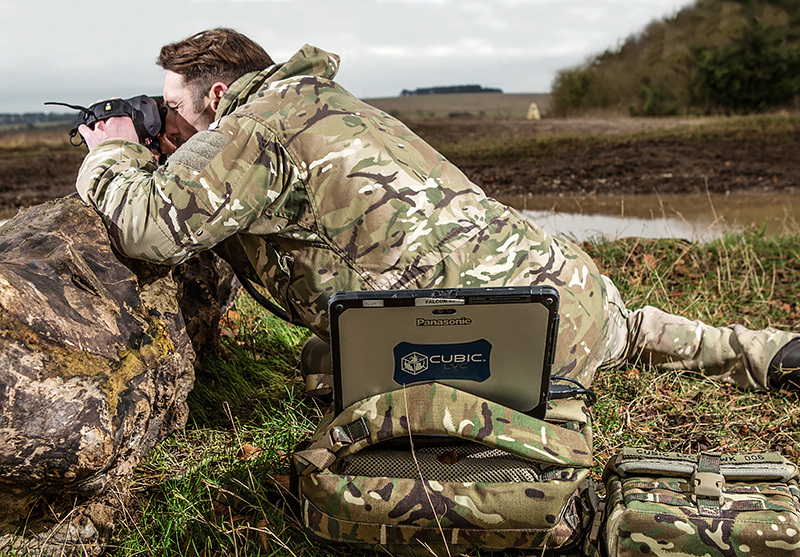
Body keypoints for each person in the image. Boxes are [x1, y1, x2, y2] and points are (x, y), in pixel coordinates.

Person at [76, 28, 800, 393]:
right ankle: (764, 351)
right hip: (571, 290)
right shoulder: (326, 104)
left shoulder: (254, 129)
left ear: (215, 94)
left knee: (327, 365)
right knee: (626, 327)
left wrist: (112, 149)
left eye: (172, 110)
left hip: (504, 344)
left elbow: (146, 227)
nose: (169, 129)